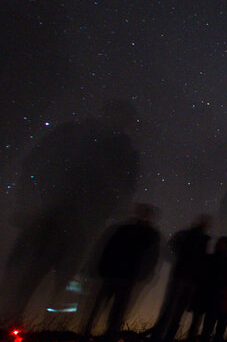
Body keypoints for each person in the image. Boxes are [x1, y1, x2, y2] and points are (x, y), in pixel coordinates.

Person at [0, 99, 139, 320]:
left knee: (61, 277)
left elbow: (125, 190)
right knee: (28, 271)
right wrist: (27, 201)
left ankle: (44, 328)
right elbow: (34, 162)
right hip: (54, 212)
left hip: (79, 220)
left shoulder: (123, 150)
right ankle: (14, 321)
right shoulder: (76, 134)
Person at [79, 203, 161, 342]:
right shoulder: (139, 232)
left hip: (121, 276)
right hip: (118, 276)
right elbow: (110, 248)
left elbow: (149, 258)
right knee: (105, 313)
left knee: (107, 314)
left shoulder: (134, 231)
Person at [146, 215, 211, 342]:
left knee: (174, 318)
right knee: (169, 316)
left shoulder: (200, 239)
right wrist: (182, 261)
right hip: (182, 278)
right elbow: (171, 248)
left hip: (188, 280)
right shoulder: (189, 237)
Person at [186, 235, 227, 342]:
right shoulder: (208, 258)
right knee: (195, 326)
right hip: (202, 296)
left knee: (207, 330)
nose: (221, 246)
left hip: (214, 298)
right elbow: (197, 274)